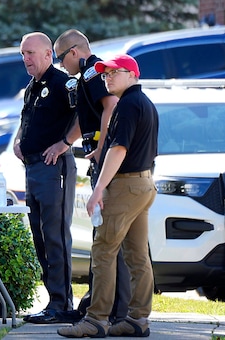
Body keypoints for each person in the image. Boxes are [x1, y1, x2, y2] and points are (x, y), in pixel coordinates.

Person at [57, 54, 158, 338]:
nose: (108, 77)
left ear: (132, 75)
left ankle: (96, 320)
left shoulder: (127, 105)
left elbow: (119, 149)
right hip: (143, 185)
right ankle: (138, 319)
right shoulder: (144, 103)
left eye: (114, 72)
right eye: (105, 74)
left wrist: (98, 189)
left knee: (103, 251)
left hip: (126, 187)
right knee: (137, 256)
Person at [54, 29, 130, 324]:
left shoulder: (92, 73)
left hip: (105, 157)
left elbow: (110, 106)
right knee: (103, 236)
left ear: (74, 52)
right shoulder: (85, 76)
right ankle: (98, 302)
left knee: (110, 237)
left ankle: (116, 308)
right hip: (97, 155)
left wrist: (101, 148)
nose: (62, 66)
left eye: (62, 58)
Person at [15, 32, 78, 324]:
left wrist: (65, 143)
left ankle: (62, 304)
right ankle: (53, 301)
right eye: (23, 54)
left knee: (55, 236)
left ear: (47, 54)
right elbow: (26, 120)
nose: (26, 58)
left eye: (30, 53)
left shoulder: (63, 83)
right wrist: (19, 141)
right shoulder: (33, 86)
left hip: (55, 168)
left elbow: (84, 116)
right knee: (39, 236)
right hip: (33, 167)